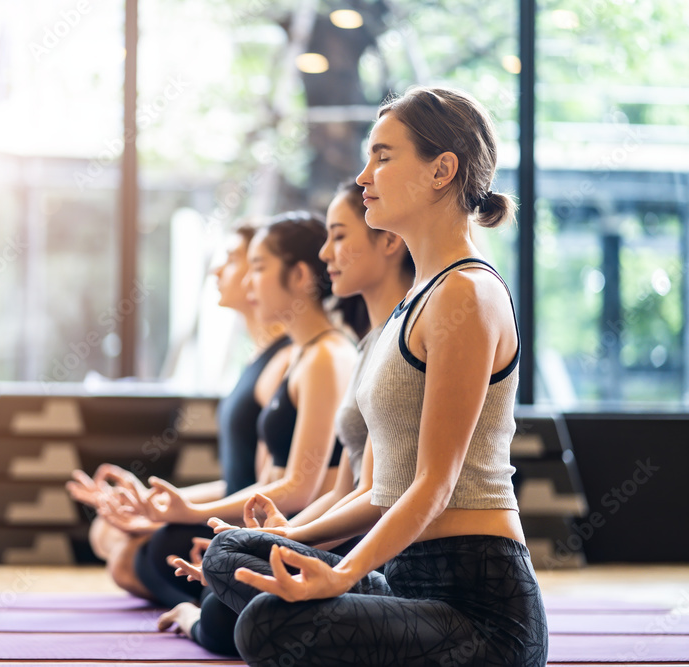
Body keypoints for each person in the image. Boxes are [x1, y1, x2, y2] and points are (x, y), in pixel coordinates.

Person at [201, 86, 549, 667]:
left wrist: (342, 575)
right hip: (408, 584)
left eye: (383, 157)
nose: (365, 176)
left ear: (442, 170)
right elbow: (380, 491)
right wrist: (290, 538)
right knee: (231, 552)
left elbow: (435, 486)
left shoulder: (469, 293)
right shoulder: (415, 299)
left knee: (263, 624)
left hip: (481, 608)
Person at [162, 178, 416, 655]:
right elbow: (354, 489)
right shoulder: (368, 346)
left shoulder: (348, 351)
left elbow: (349, 491)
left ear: (388, 242)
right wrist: (273, 537)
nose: (326, 255)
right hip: (345, 529)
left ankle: (210, 611)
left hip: (391, 557)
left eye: (339, 237)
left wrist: (306, 552)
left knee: (233, 605)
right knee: (223, 562)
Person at [120, 211, 366, 610]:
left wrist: (198, 513)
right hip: (284, 524)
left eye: (259, 268)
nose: (249, 284)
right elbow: (267, 477)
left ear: (300, 276)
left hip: (313, 531)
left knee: (173, 562)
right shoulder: (303, 356)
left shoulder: (327, 356)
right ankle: (205, 607)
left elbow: (303, 488)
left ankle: (199, 613)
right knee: (161, 553)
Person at [66, 222, 292, 599]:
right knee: (106, 531)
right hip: (229, 508)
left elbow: (271, 486)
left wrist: (177, 515)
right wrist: (156, 504)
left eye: (234, 260)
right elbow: (240, 478)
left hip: (244, 522)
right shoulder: (256, 358)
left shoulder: (287, 363)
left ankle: (214, 601)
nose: (216, 271)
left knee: (125, 558)